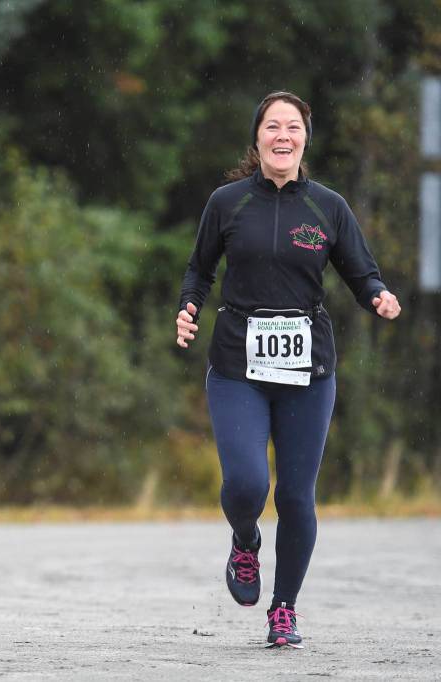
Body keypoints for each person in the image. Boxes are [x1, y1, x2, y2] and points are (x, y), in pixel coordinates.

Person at [176, 91, 401, 648]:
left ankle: (284, 609)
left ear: (305, 137)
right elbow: (198, 270)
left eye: (293, 127)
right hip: (236, 365)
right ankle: (245, 540)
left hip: (308, 369)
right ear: (257, 138)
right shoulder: (227, 203)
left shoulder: (329, 206)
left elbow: (360, 272)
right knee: (248, 483)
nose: (283, 135)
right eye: (272, 126)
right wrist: (189, 308)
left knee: (297, 497)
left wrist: (378, 296)